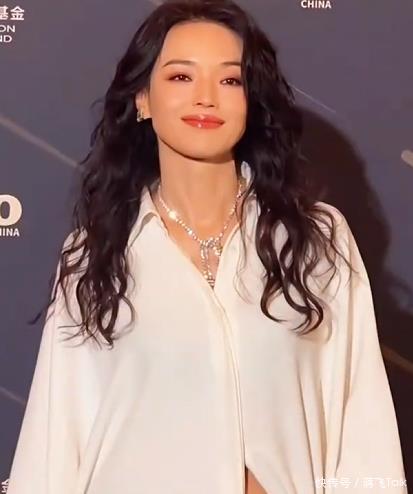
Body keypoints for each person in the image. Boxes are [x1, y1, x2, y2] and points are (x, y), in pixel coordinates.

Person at [7, 1, 408, 493]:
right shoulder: (94, 256)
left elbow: (363, 428)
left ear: (250, 100)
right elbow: (52, 447)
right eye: (181, 76)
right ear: (142, 99)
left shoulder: (315, 241)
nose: (205, 98)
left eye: (230, 80)